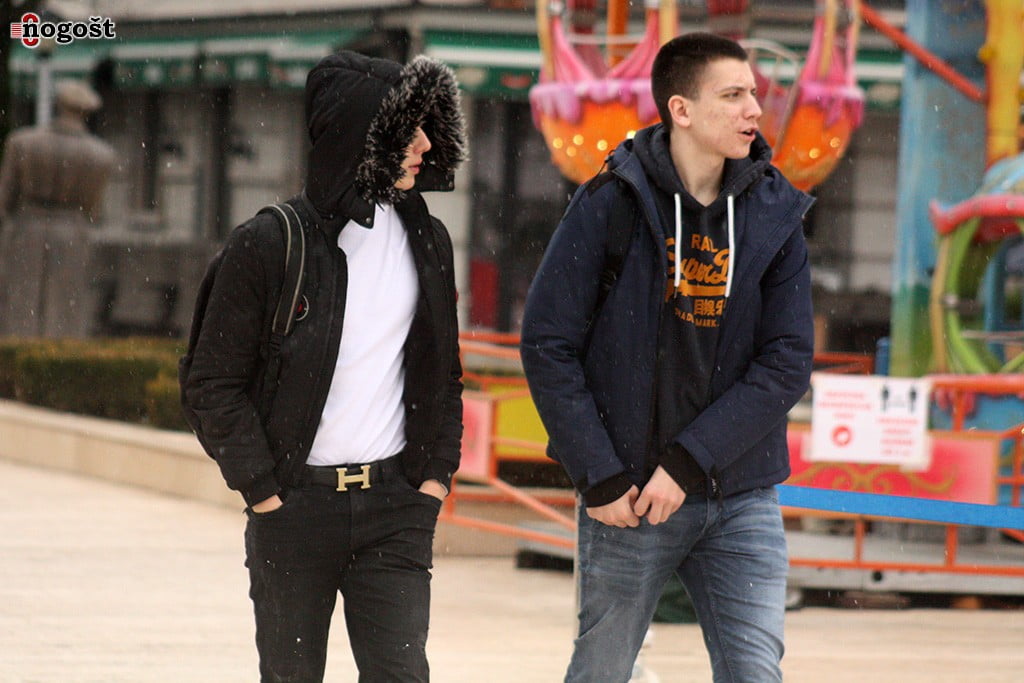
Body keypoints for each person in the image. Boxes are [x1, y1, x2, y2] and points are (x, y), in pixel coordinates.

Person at [521, 32, 815, 682]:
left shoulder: (775, 212)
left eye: (753, 94)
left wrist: (688, 460)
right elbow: (548, 343)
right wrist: (598, 474)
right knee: (601, 671)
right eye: (732, 95)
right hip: (629, 497)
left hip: (740, 494)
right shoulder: (611, 202)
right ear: (681, 109)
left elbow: (787, 360)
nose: (754, 110)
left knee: (754, 672)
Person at [181, 50, 466, 682]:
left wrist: (432, 481)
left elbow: (444, 373)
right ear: (361, 135)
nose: (424, 144)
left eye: (427, 126)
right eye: (407, 129)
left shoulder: (428, 239)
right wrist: (264, 492)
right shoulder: (268, 243)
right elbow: (210, 383)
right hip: (294, 512)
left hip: (396, 509)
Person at [0, 79, 115, 337]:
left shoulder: (22, 143)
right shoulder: (101, 155)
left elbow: (5, 198)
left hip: (26, 229)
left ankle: (16, 358)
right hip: (72, 233)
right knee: (65, 312)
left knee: (20, 307)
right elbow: (94, 209)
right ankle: (59, 358)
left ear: (58, 105)